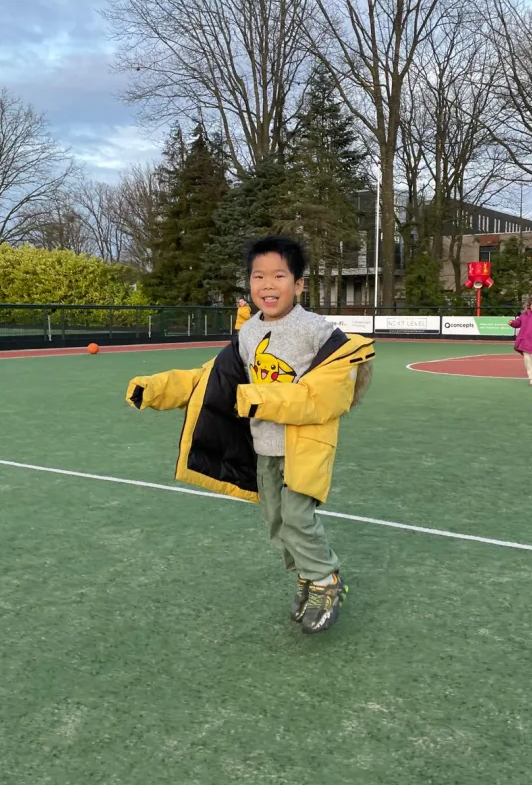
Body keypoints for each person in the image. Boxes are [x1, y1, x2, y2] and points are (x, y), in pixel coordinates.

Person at [125, 235, 374, 635]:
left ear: (299, 284)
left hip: (305, 445)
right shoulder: (249, 333)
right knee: (276, 521)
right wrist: (156, 390)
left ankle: (326, 581)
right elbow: (213, 380)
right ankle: (307, 576)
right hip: (264, 447)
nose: (268, 285)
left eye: (279, 276)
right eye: (259, 276)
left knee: (298, 517)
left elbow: (326, 395)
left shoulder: (315, 330)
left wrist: (255, 398)